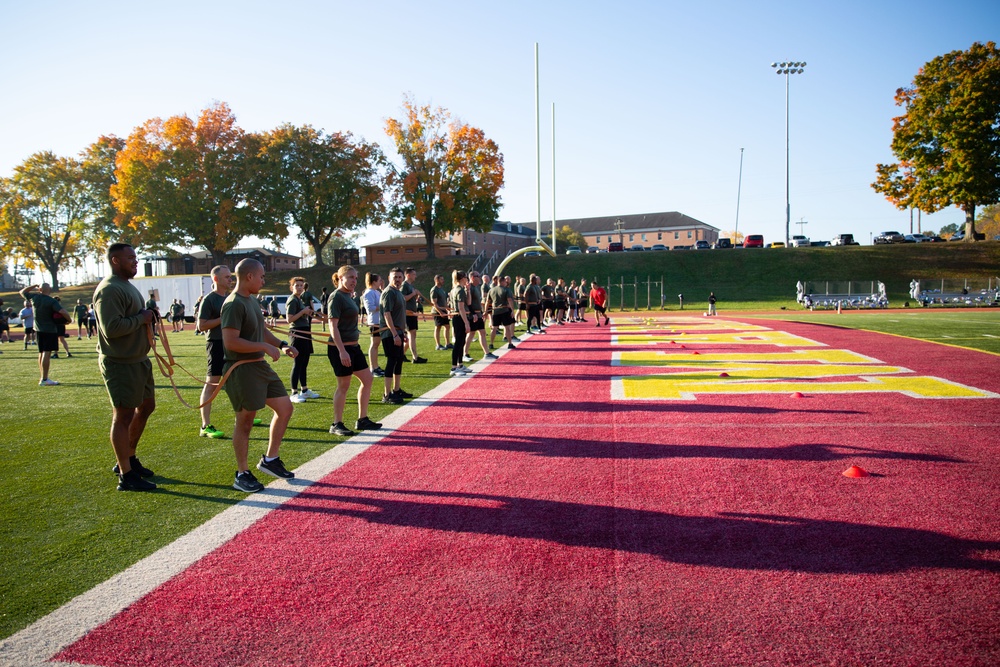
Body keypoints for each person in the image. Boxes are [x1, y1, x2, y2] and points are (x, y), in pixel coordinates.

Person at [221, 258, 298, 493]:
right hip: (242, 369)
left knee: (285, 408)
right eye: (262, 277)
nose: (264, 281)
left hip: (259, 367)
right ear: (249, 277)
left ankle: (270, 460)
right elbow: (230, 341)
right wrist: (264, 347)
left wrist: (282, 344)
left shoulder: (251, 301)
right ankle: (242, 473)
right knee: (245, 422)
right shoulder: (233, 303)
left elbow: (261, 330)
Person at [93, 243, 158, 491]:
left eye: (135, 257)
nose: (135, 261)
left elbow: (132, 318)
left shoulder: (126, 287)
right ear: (115, 260)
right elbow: (112, 329)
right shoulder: (109, 290)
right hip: (120, 362)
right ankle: (126, 475)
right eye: (130, 257)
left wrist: (146, 316)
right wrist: (141, 318)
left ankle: (128, 458)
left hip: (138, 360)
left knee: (147, 406)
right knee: (123, 416)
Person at [327, 265, 382, 437]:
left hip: (354, 346)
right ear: (341, 278)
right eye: (350, 277)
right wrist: (342, 351)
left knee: (367, 379)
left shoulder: (349, 296)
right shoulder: (336, 297)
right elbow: (332, 326)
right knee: (344, 386)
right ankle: (336, 423)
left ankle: (362, 419)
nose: (354, 281)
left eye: (356, 278)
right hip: (340, 348)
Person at [195, 265, 234, 439]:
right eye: (227, 277)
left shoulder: (231, 297)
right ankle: (205, 425)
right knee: (212, 383)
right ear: (216, 279)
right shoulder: (209, 299)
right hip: (216, 343)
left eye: (230, 276)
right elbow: (201, 326)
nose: (230, 279)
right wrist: (222, 318)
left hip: (231, 343)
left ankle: (242, 415)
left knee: (235, 379)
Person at [19, 284, 72, 385]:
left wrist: (33, 285)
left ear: (40, 289)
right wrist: (69, 320)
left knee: (41, 353)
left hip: (38, 329)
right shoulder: (52, 301)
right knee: (47, 353)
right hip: (49, 330)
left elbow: (22, 292)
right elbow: (62, 311)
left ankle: (42, 377)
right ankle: (44, 379)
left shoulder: (35, 297)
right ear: (50, 290)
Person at [378, 267, 411, 404]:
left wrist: (402, 333)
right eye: (394, 277)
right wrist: (394, 334)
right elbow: (387, 314)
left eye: (399, 277)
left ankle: (396, 390)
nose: (397, 279)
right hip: (390, 333)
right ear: (389, 278)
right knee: (392, 361)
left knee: (398, 361)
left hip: (398, 332)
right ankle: (387, 394)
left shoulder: (398, 292)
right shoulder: (389, 293)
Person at [286, 276, 319, 403]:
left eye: (301, 285)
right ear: (292, 287)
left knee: (304, 362)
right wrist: (303, 311)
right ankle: (294, 392)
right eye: (297, 285)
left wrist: (307, 312)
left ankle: (304, 390)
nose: (299, 288)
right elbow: (289, 319)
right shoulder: (292, 300)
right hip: (297, 333)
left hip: (304, 331)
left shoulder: (299, 299)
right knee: (298, 362)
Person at [464, 271, 495, 361]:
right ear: (473, 277)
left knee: (482, 332)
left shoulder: (476, 287)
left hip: (478, 314)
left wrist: (481, 313)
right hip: (473, 315)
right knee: (471, 334)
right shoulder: (470, 288)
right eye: (478, 276)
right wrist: (473, 313)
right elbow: (468, 303)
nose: (480, 277)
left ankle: (487, 353)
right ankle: (465, 354)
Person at [449, 270, 473, 377]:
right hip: (459, 318)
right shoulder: (459, 290)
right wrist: (466, 323)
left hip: (459, 317)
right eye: (466, 277)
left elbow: (468, 302)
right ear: (462, 278)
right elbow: (461, 308)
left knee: (461, 341)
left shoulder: (459, 289)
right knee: (459, 343)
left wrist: (468, 290)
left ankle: (460, 364)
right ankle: (454, 367)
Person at [401, 268, 427, 364]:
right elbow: (403, 298)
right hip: (408, 313)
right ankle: (415, 357)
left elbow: (411, 297)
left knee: (412, 334)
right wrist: (413, 293)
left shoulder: (410, 286)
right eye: (413, 274)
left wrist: (417, 297)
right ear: (408, 275)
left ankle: (402, 354)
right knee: (411, 334)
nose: (415, 276)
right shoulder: (404, 285)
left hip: (412, 312)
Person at [361, 272, 384, 377]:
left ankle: (376, 366)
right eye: (379, 280)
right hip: (374, 322)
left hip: (379, 321)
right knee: (374, 345)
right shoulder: (369, 292)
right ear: (374, 281)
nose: (381, 282)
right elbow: (370, 308)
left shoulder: (376, 292)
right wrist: (382, 306)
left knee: (376, 345)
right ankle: (373, 368)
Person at [487, 275, 517, 351]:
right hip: (504, 310)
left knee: (494, 328)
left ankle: (491, 343)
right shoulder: (506, 290)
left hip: (495, 310)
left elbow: (488, 301)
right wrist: (512, 310)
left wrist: (485, 311)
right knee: (507, 327)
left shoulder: (491, 290)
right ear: (503, 281)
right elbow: (510, 300)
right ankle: (510, 343)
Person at [430, 274, 452, 351]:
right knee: (438, 327)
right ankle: (438, 345)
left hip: (443, 310)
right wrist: (440, 312)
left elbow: (444, 301)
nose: (443, 281)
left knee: (447, 326)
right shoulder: (434, 290)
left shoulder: (442, 289)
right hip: (437, 311)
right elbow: (434, 303)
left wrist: (447, 309)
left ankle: (448, 343)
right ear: (437, 280)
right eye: (441, 279)